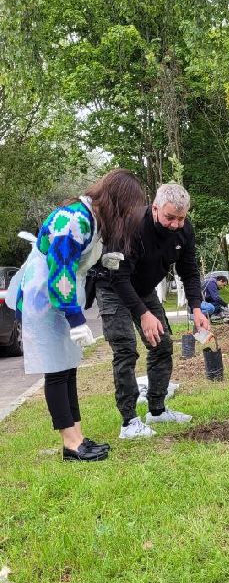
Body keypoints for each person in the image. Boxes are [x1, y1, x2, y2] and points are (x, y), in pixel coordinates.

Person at [15, 170, 146, 461]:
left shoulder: (92, 219)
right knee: (57, 369)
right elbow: (60, 270)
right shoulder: (74, 219)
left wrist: (102, 264)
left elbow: (78, 263)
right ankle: (71, 445)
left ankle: (78, 436)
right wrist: (75, 318)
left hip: (60, 296)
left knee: (68, 368)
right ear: (116, 202)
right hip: (44, 299)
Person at [94, 182, 210, 439]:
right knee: (125, 349)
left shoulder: (183, 229)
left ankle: (157, 409)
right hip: (113, 286)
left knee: (162, 345)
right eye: (170, 217)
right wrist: (144, 314)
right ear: (155, 208)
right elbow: (119, 276)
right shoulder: (131, 224)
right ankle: (129, 422)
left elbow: (189, 271)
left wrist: (197, 308)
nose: (175, 224)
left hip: (144, 288)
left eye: (181, 218)